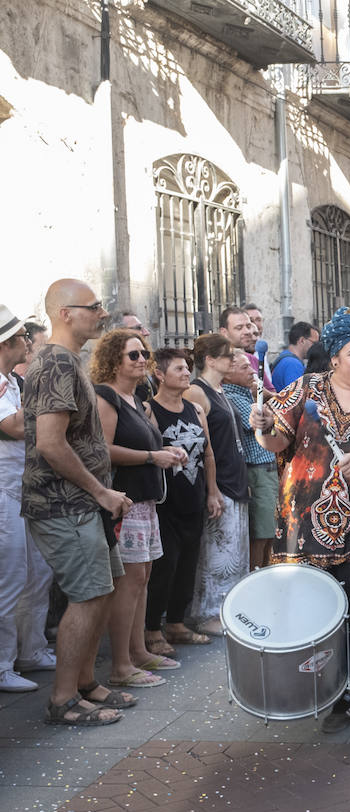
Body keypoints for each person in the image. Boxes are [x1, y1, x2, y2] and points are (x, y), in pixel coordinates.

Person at [249, 307, 350, 746]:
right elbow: (277, 440)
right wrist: (263, 427)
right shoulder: (305, 389)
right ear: (335, 356)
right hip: (308, 528)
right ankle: (336, 698)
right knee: (324, 622)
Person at [23, 279, 133, 726]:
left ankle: (85, 683)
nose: (102, 314)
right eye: (93, 307)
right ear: (65, 313)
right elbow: (50, 444)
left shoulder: (68, 361)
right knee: (87, 597)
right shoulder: (54, 364)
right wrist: (101, 491)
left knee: (103, 589)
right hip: (63, 505)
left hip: (83, 505)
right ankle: (63, 700)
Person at [92, 329, 187, 688]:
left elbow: (147, 444)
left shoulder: (137, 400)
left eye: (143, 353)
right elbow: (103, 449)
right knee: (129, 582)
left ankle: (138, 652)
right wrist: (152, 455)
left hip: (145, 500)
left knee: (142, 578)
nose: (142, 359)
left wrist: (167, 452)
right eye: (133, 355)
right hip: (124, 501)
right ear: (113, 360)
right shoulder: (107, 396)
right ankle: (120, 665)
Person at [145, 348, 222, 657]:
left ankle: (177, 623)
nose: (186, 373)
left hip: (193, 497)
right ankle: (152, 630)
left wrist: (212, 491)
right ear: (160, 375)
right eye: (178, 369)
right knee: (165, 565)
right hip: (165, 500)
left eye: (187, 368)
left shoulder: (195, 409)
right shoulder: (148, 410)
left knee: (189, 563)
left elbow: (208, 453)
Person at [0, 306, 55, 693]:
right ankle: (1, 664)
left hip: (25, 489)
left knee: (39, 572)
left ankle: (30, 649)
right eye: (22, 338)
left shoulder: (11, 383)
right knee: (10, 579)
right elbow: (15, 427)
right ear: (5, 343)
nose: (28, 343)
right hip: (3, 495)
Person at [185, 335, 250, 637]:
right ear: (210, 359)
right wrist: (211, 488)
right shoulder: (196, 392)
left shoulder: (221, 389)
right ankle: (207, 613)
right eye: (227, 356)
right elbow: (204, 445)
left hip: (235, 476)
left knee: (234, 551)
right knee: (217, 553)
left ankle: (230, 606)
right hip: (219, 479)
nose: (233, 360)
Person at [222, 352, 279, 571]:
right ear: (227, 373)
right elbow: (259, 422)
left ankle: (264, 572)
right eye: (245, 368)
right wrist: (263, 401)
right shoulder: (234, 396)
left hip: (266, 470)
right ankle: (257, 575)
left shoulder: (247, 394)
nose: (252, 372)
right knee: (261, 535)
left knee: (269, 534)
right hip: (257, 471)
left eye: (252, 367)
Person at [271, 321, 319, 391]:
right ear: (302, 340)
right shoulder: (293, 364)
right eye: (314, 343)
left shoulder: (286, 359)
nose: (316, 347)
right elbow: (298, 396)